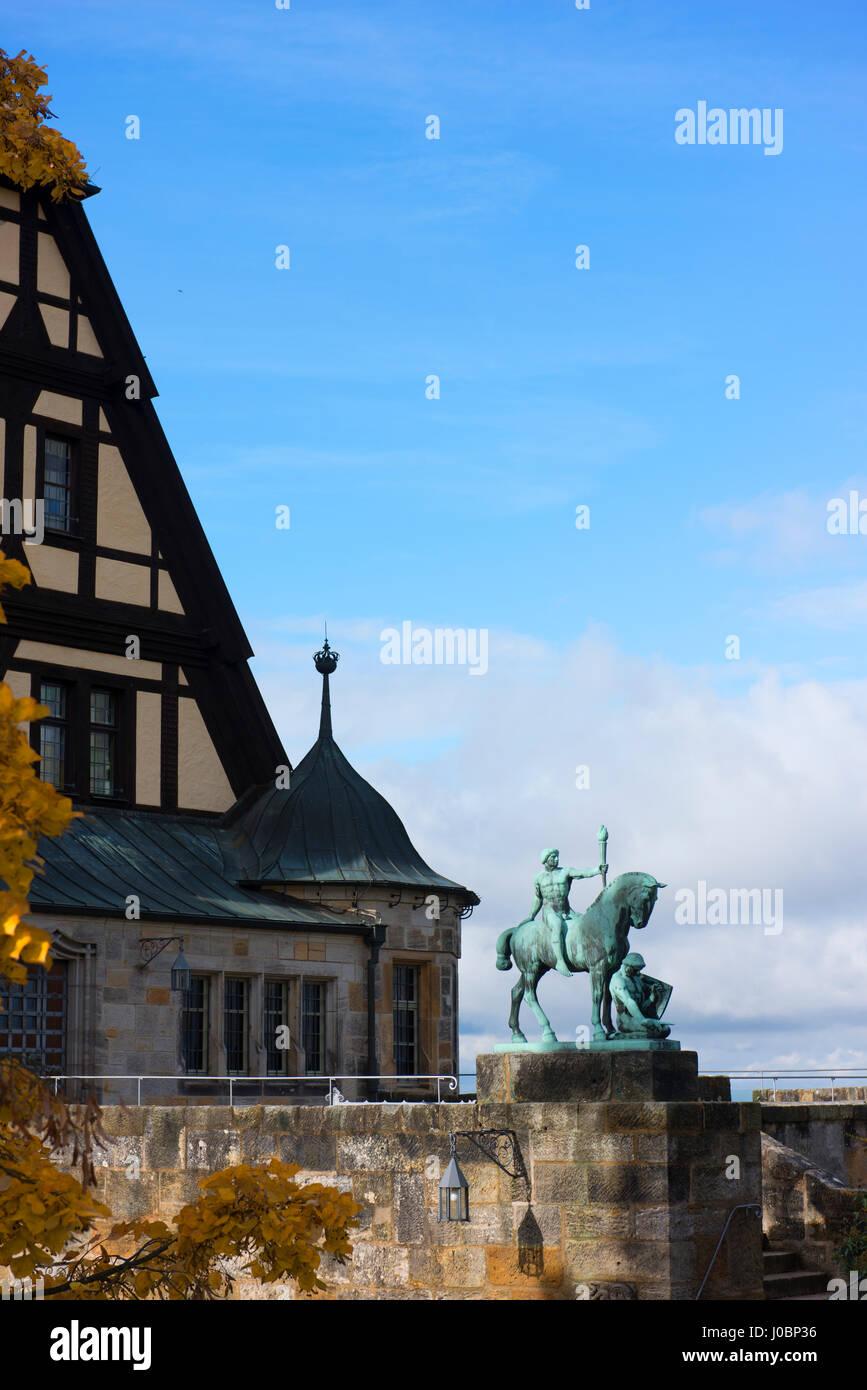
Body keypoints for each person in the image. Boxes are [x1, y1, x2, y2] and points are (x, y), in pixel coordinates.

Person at [519, 848, 605, 978]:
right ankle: (560, 961)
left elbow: (581, 873)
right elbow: (538, 898)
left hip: (566, 909)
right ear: (546, 860)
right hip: (549, 911)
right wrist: (531, 916)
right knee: (557, 925)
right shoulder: (538, 878)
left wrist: (597, 870)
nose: (556, 859)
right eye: (553, 857)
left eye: (557, 857)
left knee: (585, 923)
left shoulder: (565, 872)